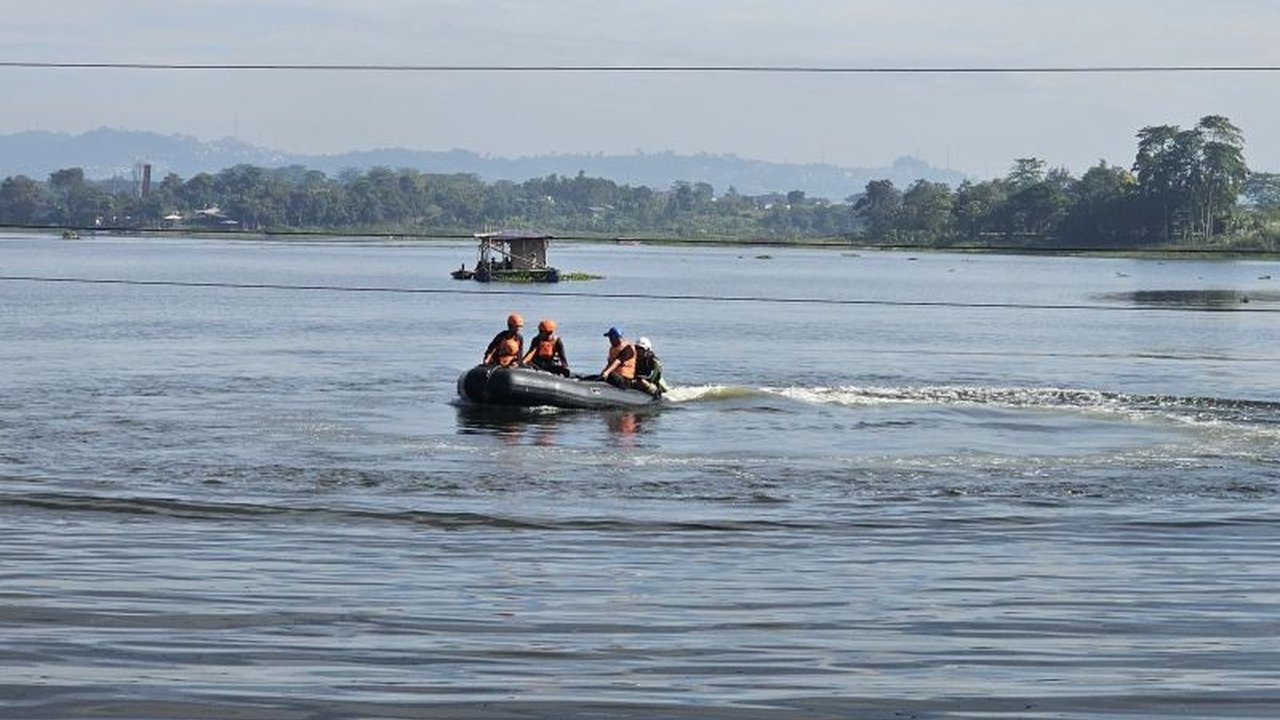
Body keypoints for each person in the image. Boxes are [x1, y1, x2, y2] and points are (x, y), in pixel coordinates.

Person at [598, 325, 636, 389]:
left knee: (610, 375)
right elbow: (610, 364)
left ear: (616, 338)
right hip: (615, 376)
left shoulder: (628, 349)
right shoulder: (613, 348)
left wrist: (607, 372)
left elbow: (617, 362)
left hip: (625, 379)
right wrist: (602, 374)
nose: (609, 340)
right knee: (596, 377)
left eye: (611, 338)